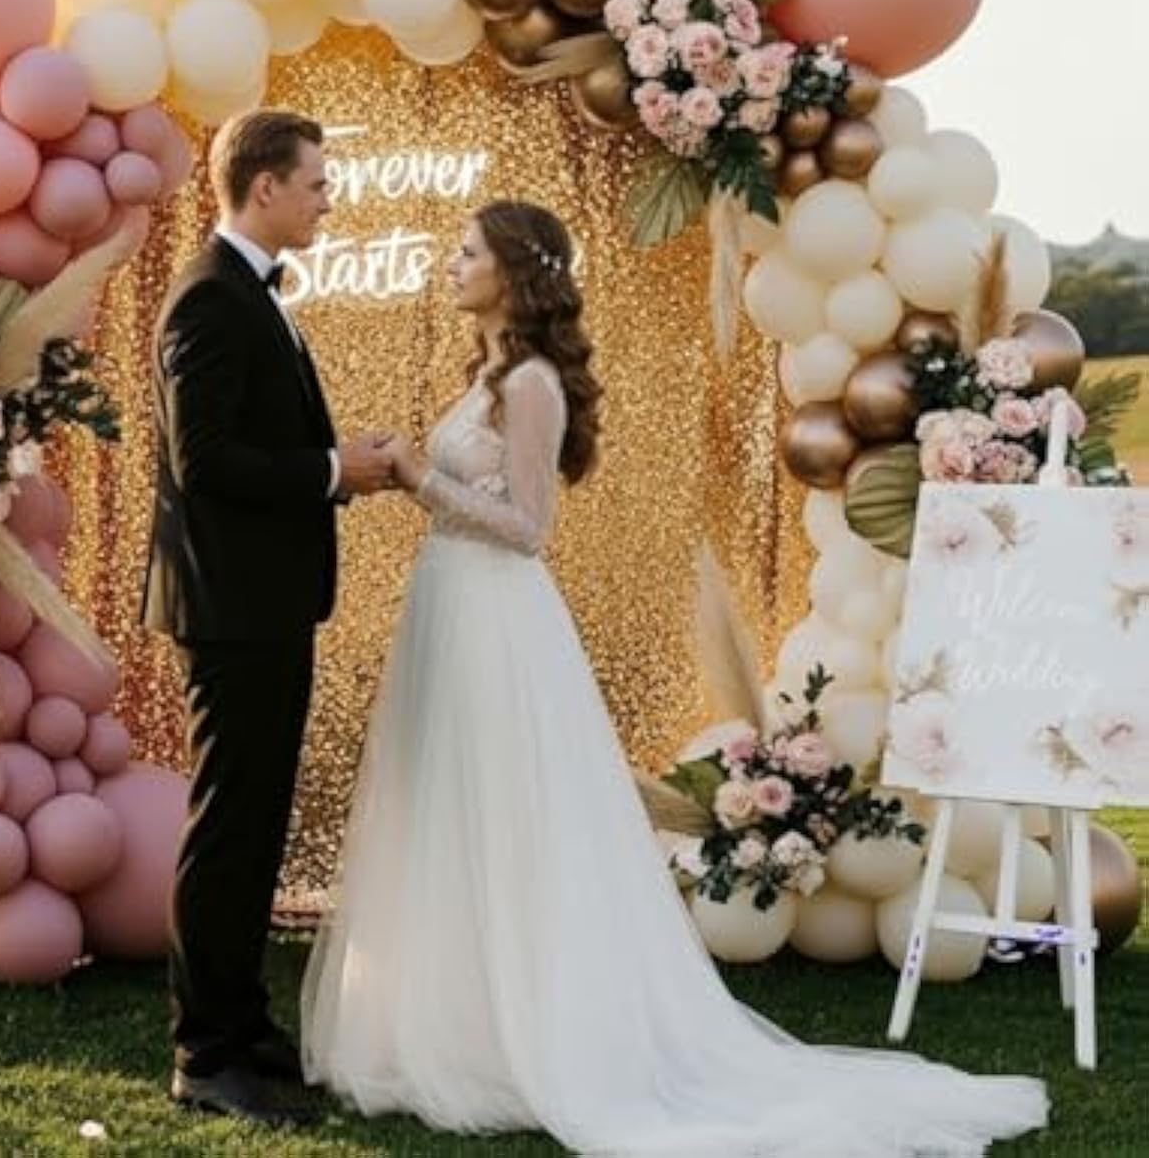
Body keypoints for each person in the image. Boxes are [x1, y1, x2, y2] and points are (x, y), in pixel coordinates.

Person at [301, 199, 1048, 1156]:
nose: (451, 264)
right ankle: (453, 1018)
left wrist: (417, 478)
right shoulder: (486, 371)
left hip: (495, 614)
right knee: (449, 808)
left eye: (467, 251)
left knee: (502, 813)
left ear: (515, 271)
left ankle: (520, 1031)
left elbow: (530, 528)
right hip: (450, 606)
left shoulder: (530, 381)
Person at [143, 107, 392, 1126]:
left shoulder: (251, 294)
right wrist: (339, 471)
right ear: (264, 188)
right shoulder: (209, 299)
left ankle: (243, 1025)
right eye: (318, 183)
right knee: (230, 828)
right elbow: (206, 465)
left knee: (253, 826)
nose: (329, 200)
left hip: (265, 603)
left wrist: (337, 466)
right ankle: (205, 1054)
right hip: (234, 609)